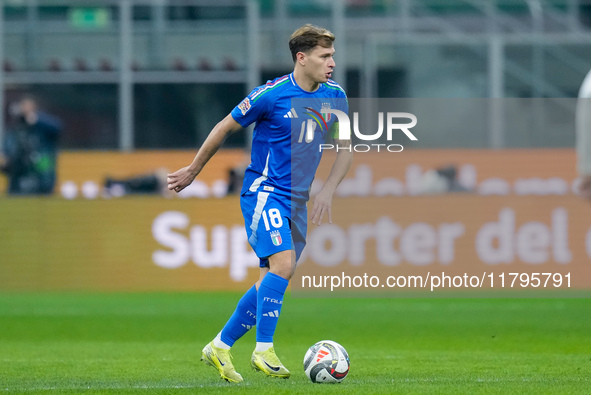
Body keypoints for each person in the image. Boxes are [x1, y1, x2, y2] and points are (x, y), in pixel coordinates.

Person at [166, 24, 352, 383]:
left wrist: (327, 190)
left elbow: (345, 151)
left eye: (332, 55)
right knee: (283, 263)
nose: (332, 62)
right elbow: (223, 127)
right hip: (265, 193)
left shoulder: (335, 96)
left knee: (274, 277)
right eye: (324, 56)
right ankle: (263, 350)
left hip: (297, 201)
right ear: (302, 58)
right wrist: (194, 170)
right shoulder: (271, 95)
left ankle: (219, 346)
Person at [0, 98, 62, 195]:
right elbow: (9, 144)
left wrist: (36, 119)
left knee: (44, 185)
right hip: (20, 169)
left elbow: (57, 128)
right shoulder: (17, 127)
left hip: (41, 163)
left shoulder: (41, 123)